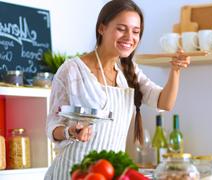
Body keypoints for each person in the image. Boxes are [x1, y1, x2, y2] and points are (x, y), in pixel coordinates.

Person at [44, 0, 190, 179]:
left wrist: (175, 70)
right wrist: (69, 131)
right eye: (122, 28)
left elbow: (165, 103)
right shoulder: (72, 70)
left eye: (136, 31)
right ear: (102, 28)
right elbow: (53, 125)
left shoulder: (129, 71)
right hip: (71, 172)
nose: (130, 37)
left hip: (108, 173)